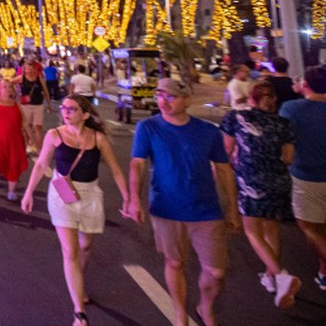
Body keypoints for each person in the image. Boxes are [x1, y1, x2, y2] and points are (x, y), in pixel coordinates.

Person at [128, 78, 239, 326]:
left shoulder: (208, 131)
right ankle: (180, 313)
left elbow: (223, 170)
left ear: (187, 99)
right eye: (160, 96)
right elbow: (138, 164)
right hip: (166, 208)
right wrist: (134, 199)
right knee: (175, 262)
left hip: (206, 209)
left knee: (216, 272)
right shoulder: (148, 127)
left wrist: (233, 208)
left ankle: (205, 307)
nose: (164, 101)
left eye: (171, 96)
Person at [22, 95, 130, 326]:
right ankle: (79, 312)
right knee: (70, 251)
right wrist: (29, 192)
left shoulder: (98, 139)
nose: (66, 112)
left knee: (85, 246)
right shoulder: (55, 135)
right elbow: (41, 164)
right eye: (64, 108)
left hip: (90, 195)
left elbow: (116, 170)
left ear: (85, 114)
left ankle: (77, 281)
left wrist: (128, 198)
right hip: (62, 193)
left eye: (72, 109)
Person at [220, 80, 300, 307]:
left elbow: (226, 149)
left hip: (250, 180)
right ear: (273, 99)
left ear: (251, 99)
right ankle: (270, 277)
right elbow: (289, 158)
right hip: (279, 181)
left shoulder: (236, 118)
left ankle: (281, 275)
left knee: (252, 232)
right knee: (271, 229)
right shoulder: (284, 124)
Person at [280, 64, 326, 293]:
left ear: (305, 84)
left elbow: (284, 142)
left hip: (307, 177)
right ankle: (323, 272)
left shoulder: (291, 108)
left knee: (309, 227)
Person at [19, 58, 51, 152]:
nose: (30, 70)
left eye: (31, 68)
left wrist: (48, 104)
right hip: (26, 106)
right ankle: (27, 145)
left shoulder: (39, 77)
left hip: (38, 105)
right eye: (27, 68)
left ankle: (39, 147)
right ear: (24, 69)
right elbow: (10, 83)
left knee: (38, 127)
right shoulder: (22, 78)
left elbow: (45, 90)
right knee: (26, 126)